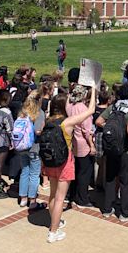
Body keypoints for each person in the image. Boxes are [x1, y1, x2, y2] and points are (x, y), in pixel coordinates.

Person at [42, 88, 96, 243]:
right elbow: (91, 110)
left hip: (50, 161)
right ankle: (53, 231)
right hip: (65, 162)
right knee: (60, 198)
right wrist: (94, 90)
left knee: (52, 195)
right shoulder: (67, 122)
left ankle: (55, 221)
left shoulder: (48, 120)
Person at [95, 83, 128, 222]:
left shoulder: (112, 108)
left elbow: (98, 121)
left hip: (110, 147)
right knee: (125, 181)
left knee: (110, 178)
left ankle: (107, 209)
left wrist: (109, 128)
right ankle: (124, 213)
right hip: (124, 149)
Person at [67, 85, 96, 207]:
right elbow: (87, 131)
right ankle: (82, 199)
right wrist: (92, 146)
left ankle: (72, 195)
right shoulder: (83, 109)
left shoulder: (69, 105)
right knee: (84, 172)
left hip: (73, 142)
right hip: (83, 143)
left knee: (75, 170)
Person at [18, 92, 46, 210]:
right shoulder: (39, 113)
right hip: (34, 147)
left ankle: (23, 199)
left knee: (24, 172)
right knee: (34, 174)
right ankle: (32, 200)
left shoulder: (22, 112)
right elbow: (37, 131)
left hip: (22, 147)